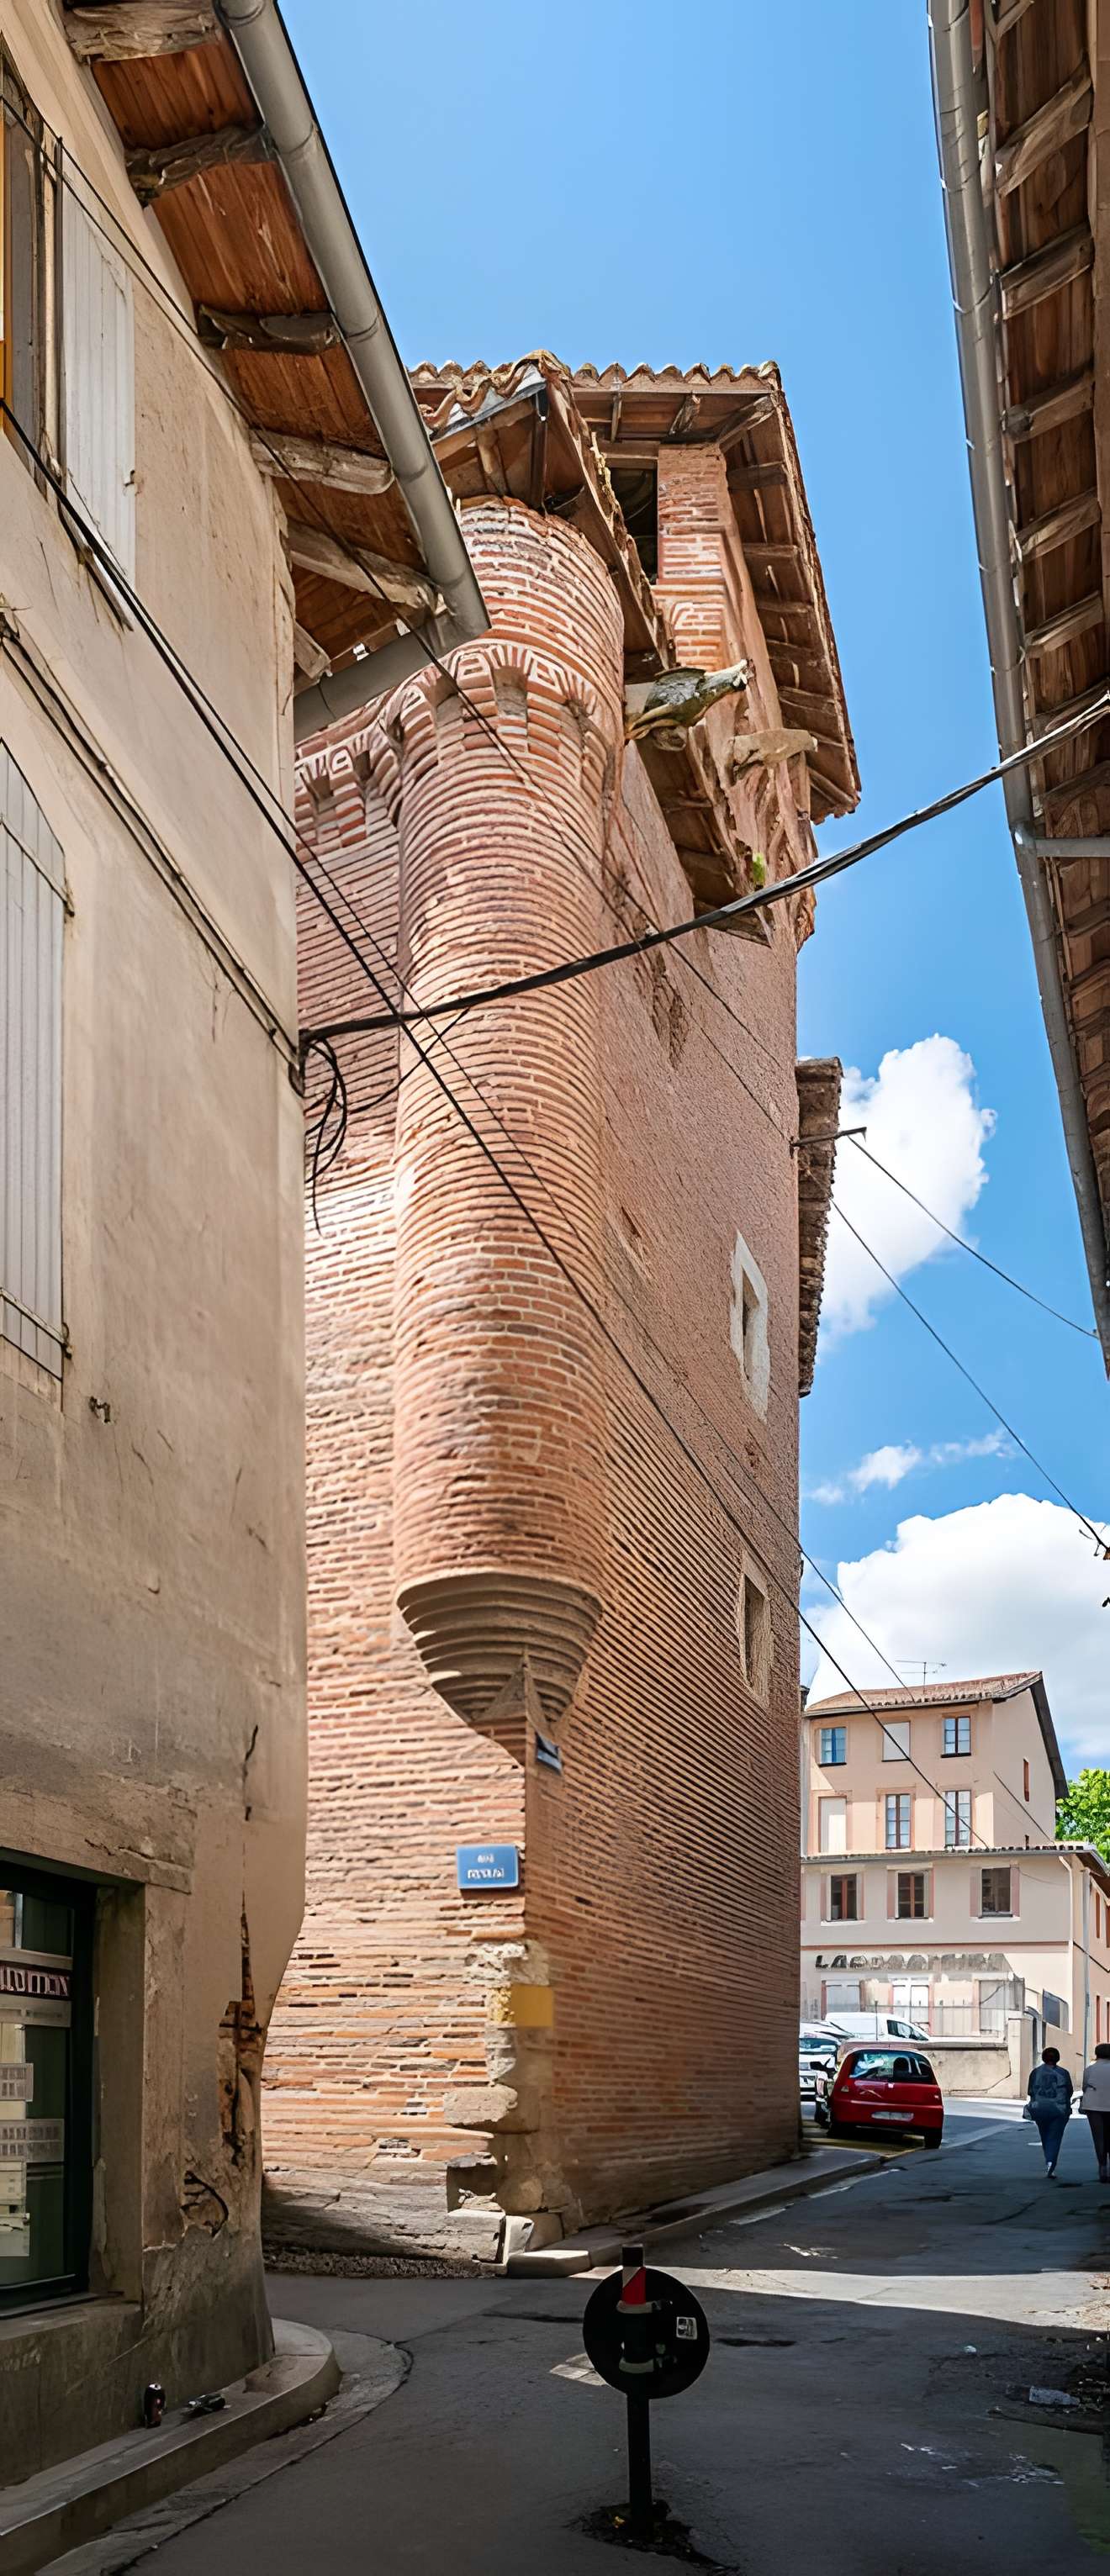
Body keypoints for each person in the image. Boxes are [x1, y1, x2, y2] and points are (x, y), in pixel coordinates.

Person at [1025, 2045, 1074, 2176]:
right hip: (1059, 2109)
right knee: (1055, 2137)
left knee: (1044, 2134)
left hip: (1040, 2108)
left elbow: (1030, 2091)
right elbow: (1069, 2091)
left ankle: (1049, 2159)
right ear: (1057, 2058)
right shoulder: (1063, 2073)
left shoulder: (1035, 2072)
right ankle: (1051, 2161)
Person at [1078, 2040, 1110, 2181]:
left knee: (1099, 2137)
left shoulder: (1090, 2069)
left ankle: (1102, 2167)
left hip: (1094, 2106)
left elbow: (1085, 2087)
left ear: (1097, 2055)